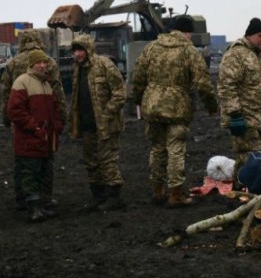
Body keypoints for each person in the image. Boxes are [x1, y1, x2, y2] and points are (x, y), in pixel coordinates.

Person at [131, 15, 218, 207]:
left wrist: (139, 100)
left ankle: (157, 191)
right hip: (177, 108)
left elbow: (138, 77)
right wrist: (212, 106)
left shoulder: (151, 48)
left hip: (152, 107)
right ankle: (176, 194)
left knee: (157, 149)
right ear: (187, 32)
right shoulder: (189, 51)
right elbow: (203, 83)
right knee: (176, 149)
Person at [1, 29, 67, 211]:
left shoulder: (13, 62)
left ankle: (23, 198)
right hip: (43, 118)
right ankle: (41, 198)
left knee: (22, 159)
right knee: (44, 158)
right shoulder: (49, 61)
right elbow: (58, 92)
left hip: (20, 121)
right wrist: (61, 118)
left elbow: (5, 92)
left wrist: (7, 119)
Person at [68, 34, 126, 212]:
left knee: (107, 161)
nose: (78, 54)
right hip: (87, 124)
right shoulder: (77, 69)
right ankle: (98, 197)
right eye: (75, 50)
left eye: (80, 50)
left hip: (106, 125)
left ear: (88, 49)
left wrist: (107, 112)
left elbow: (120, 92)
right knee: (91, 162)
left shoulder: (104, 65)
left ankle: (114, 197)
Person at [217, 17, 261, 190]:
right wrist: (235, 114)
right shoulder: (236, 54)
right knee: (252, 156)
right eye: (260, 35)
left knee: (246, 157)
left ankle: (238, 188)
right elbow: (226, 85)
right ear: (249, 35)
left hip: (259, 116)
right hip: (243, 116)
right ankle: (248, 190)